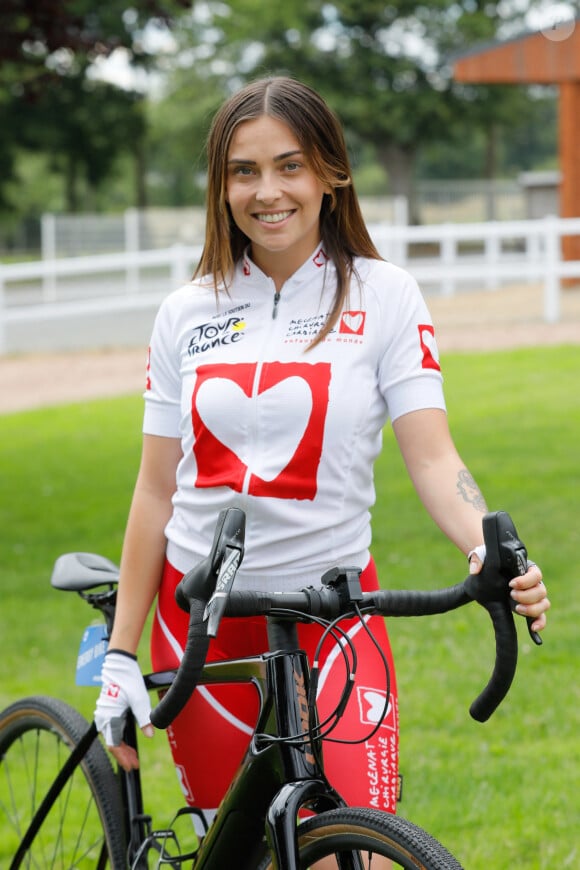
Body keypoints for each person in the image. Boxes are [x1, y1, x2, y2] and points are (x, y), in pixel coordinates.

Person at [94, 76, 550, 830]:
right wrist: (119, 653)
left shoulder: (386, 295)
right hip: (204, 621)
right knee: (230, 844)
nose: (267, 191)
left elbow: (434, 460)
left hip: (335, 611)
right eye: (244, 171)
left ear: (331, 174)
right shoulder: (184, 312)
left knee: (356, 846)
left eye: (290, 165)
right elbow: (155, 493)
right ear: (221, 185)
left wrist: (488, 547)